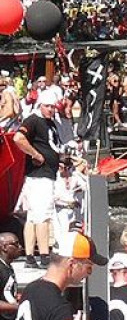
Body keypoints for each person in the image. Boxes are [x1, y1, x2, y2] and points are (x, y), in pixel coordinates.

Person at [13, 89, 62, 269]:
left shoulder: (51, 123)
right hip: (39, 175)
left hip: (48, 174)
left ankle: (30, 257)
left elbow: (52, 146)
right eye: (47, 106)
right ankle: (43, 256)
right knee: (42, 216)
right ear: (40, 105)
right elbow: (18, 138)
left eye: (52, 106)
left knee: (33, 217)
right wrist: (35, 154)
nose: (51, 109)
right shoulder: (33, 120)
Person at [16, 231, 107, 320]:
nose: (89, 273)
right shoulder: (59, 308)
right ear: (72, 264)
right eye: (89, 267)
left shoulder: (31, 288)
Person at [0, 233, 21, 320]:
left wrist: (16, 296)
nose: (20, 247)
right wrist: (18, 307)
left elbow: (5, 291)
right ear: (4, 247)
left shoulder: (7, 266)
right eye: (15, 243)